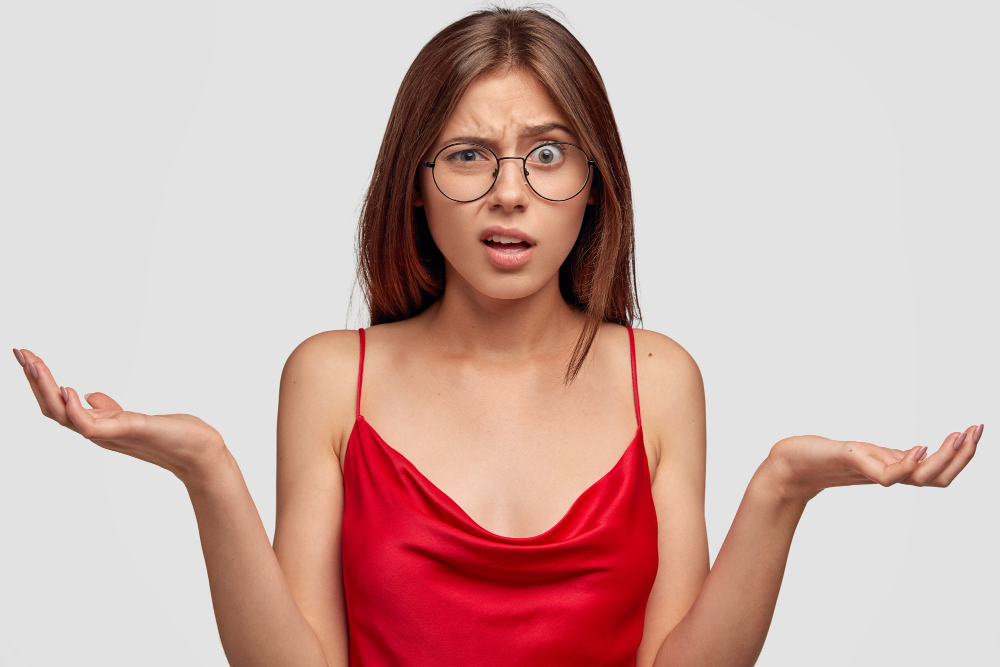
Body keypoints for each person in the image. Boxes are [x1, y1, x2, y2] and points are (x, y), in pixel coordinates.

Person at [13, 5, 983, 667]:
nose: (510, 191)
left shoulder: (660, 376)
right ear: (414, 181)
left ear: (595, 182)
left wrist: (783, 486)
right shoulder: (328, 375)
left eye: (548, 153)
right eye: (469, 154)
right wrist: (205, 470)